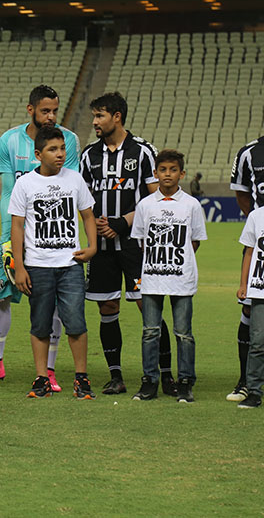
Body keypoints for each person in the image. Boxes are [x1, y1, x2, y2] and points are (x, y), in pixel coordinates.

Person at [0, 85, 80, 391]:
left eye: (55, 110)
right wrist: (7, 236)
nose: (52, 116)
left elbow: (68, 189)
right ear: (31, 109)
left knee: (53, 301)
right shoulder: (10, 140)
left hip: (52, 234)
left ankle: (50, 370)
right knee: (0, 294)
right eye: (46, 110)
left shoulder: (68, 140)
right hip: (14, 230)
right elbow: (8, 191)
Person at [80, 91, 174, 396]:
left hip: (135, 246)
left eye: (100, 116)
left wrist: (124, 222)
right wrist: (98, 225)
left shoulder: (143, 152)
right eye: (94, 116)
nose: (95, 121)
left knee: (146, 306)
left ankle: (165, 375)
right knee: (107, 306)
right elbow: (83, 199)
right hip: (102, 247)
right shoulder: (89, 155)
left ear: (117, 117)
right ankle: (116, 376)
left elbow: (155, 196)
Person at [9, 126, 97, 399]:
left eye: (62, 148)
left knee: (76, 323)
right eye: (53, 149)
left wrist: (92, 247)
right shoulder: (25, 184)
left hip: (70, 264)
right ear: (38, 154)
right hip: (38, 265)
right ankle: (41, 378)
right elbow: (17, 226)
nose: (60, 154)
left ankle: (81, 379)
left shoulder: (74, 179)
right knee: (40, 324)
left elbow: (88, 215)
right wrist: (20, 266)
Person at [130, 150, 207, 403]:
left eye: (173, 170)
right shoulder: (145, 205)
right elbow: (141, 241)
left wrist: (175, 260)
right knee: (150, 331)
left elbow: (194, 242)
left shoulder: (192, 205)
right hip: (152, 278)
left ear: (181, 173)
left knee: (183, 333)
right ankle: (149, 381)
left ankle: (185, 382)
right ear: (155, 173)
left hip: (181, 278)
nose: (167, 174)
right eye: (163, 170)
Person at [226, 134, 264, 402]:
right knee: (250, 309)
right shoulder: (249, 153)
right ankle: (246, 381)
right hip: (260, 241)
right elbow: (242, 194)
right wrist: (256, 224)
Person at [236, 193, 264, 408]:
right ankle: (254, 391)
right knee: (257, 343)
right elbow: (248, 252)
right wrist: (244, 284)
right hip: (259, 290)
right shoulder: (256, 216)